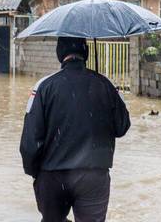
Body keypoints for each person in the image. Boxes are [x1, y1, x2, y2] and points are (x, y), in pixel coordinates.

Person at [20, 37, 131, 222]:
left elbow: (30, 141)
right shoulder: (106, 85)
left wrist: (35, 173)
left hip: (52, 175)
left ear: (59, 53)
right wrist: (109, 92)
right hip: (94, 176)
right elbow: (122, 127)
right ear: (86, 53)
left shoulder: (44, 87)